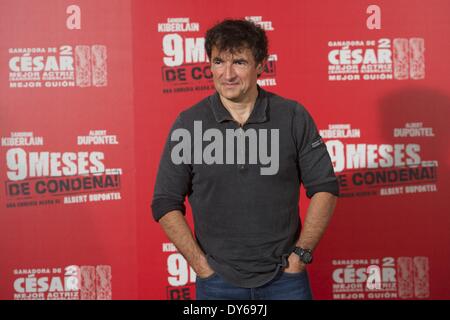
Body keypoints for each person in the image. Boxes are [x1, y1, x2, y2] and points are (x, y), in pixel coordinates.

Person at [151, 19, 339, 300]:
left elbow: (325, 187)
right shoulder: (188, 124)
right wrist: (201, 266)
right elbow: (165, 202)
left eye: (239, 62)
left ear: (261, 65)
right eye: (218, 62)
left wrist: (300, 256)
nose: (227, 74)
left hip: (285, 281)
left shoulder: (292, 117)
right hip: (217, 284)